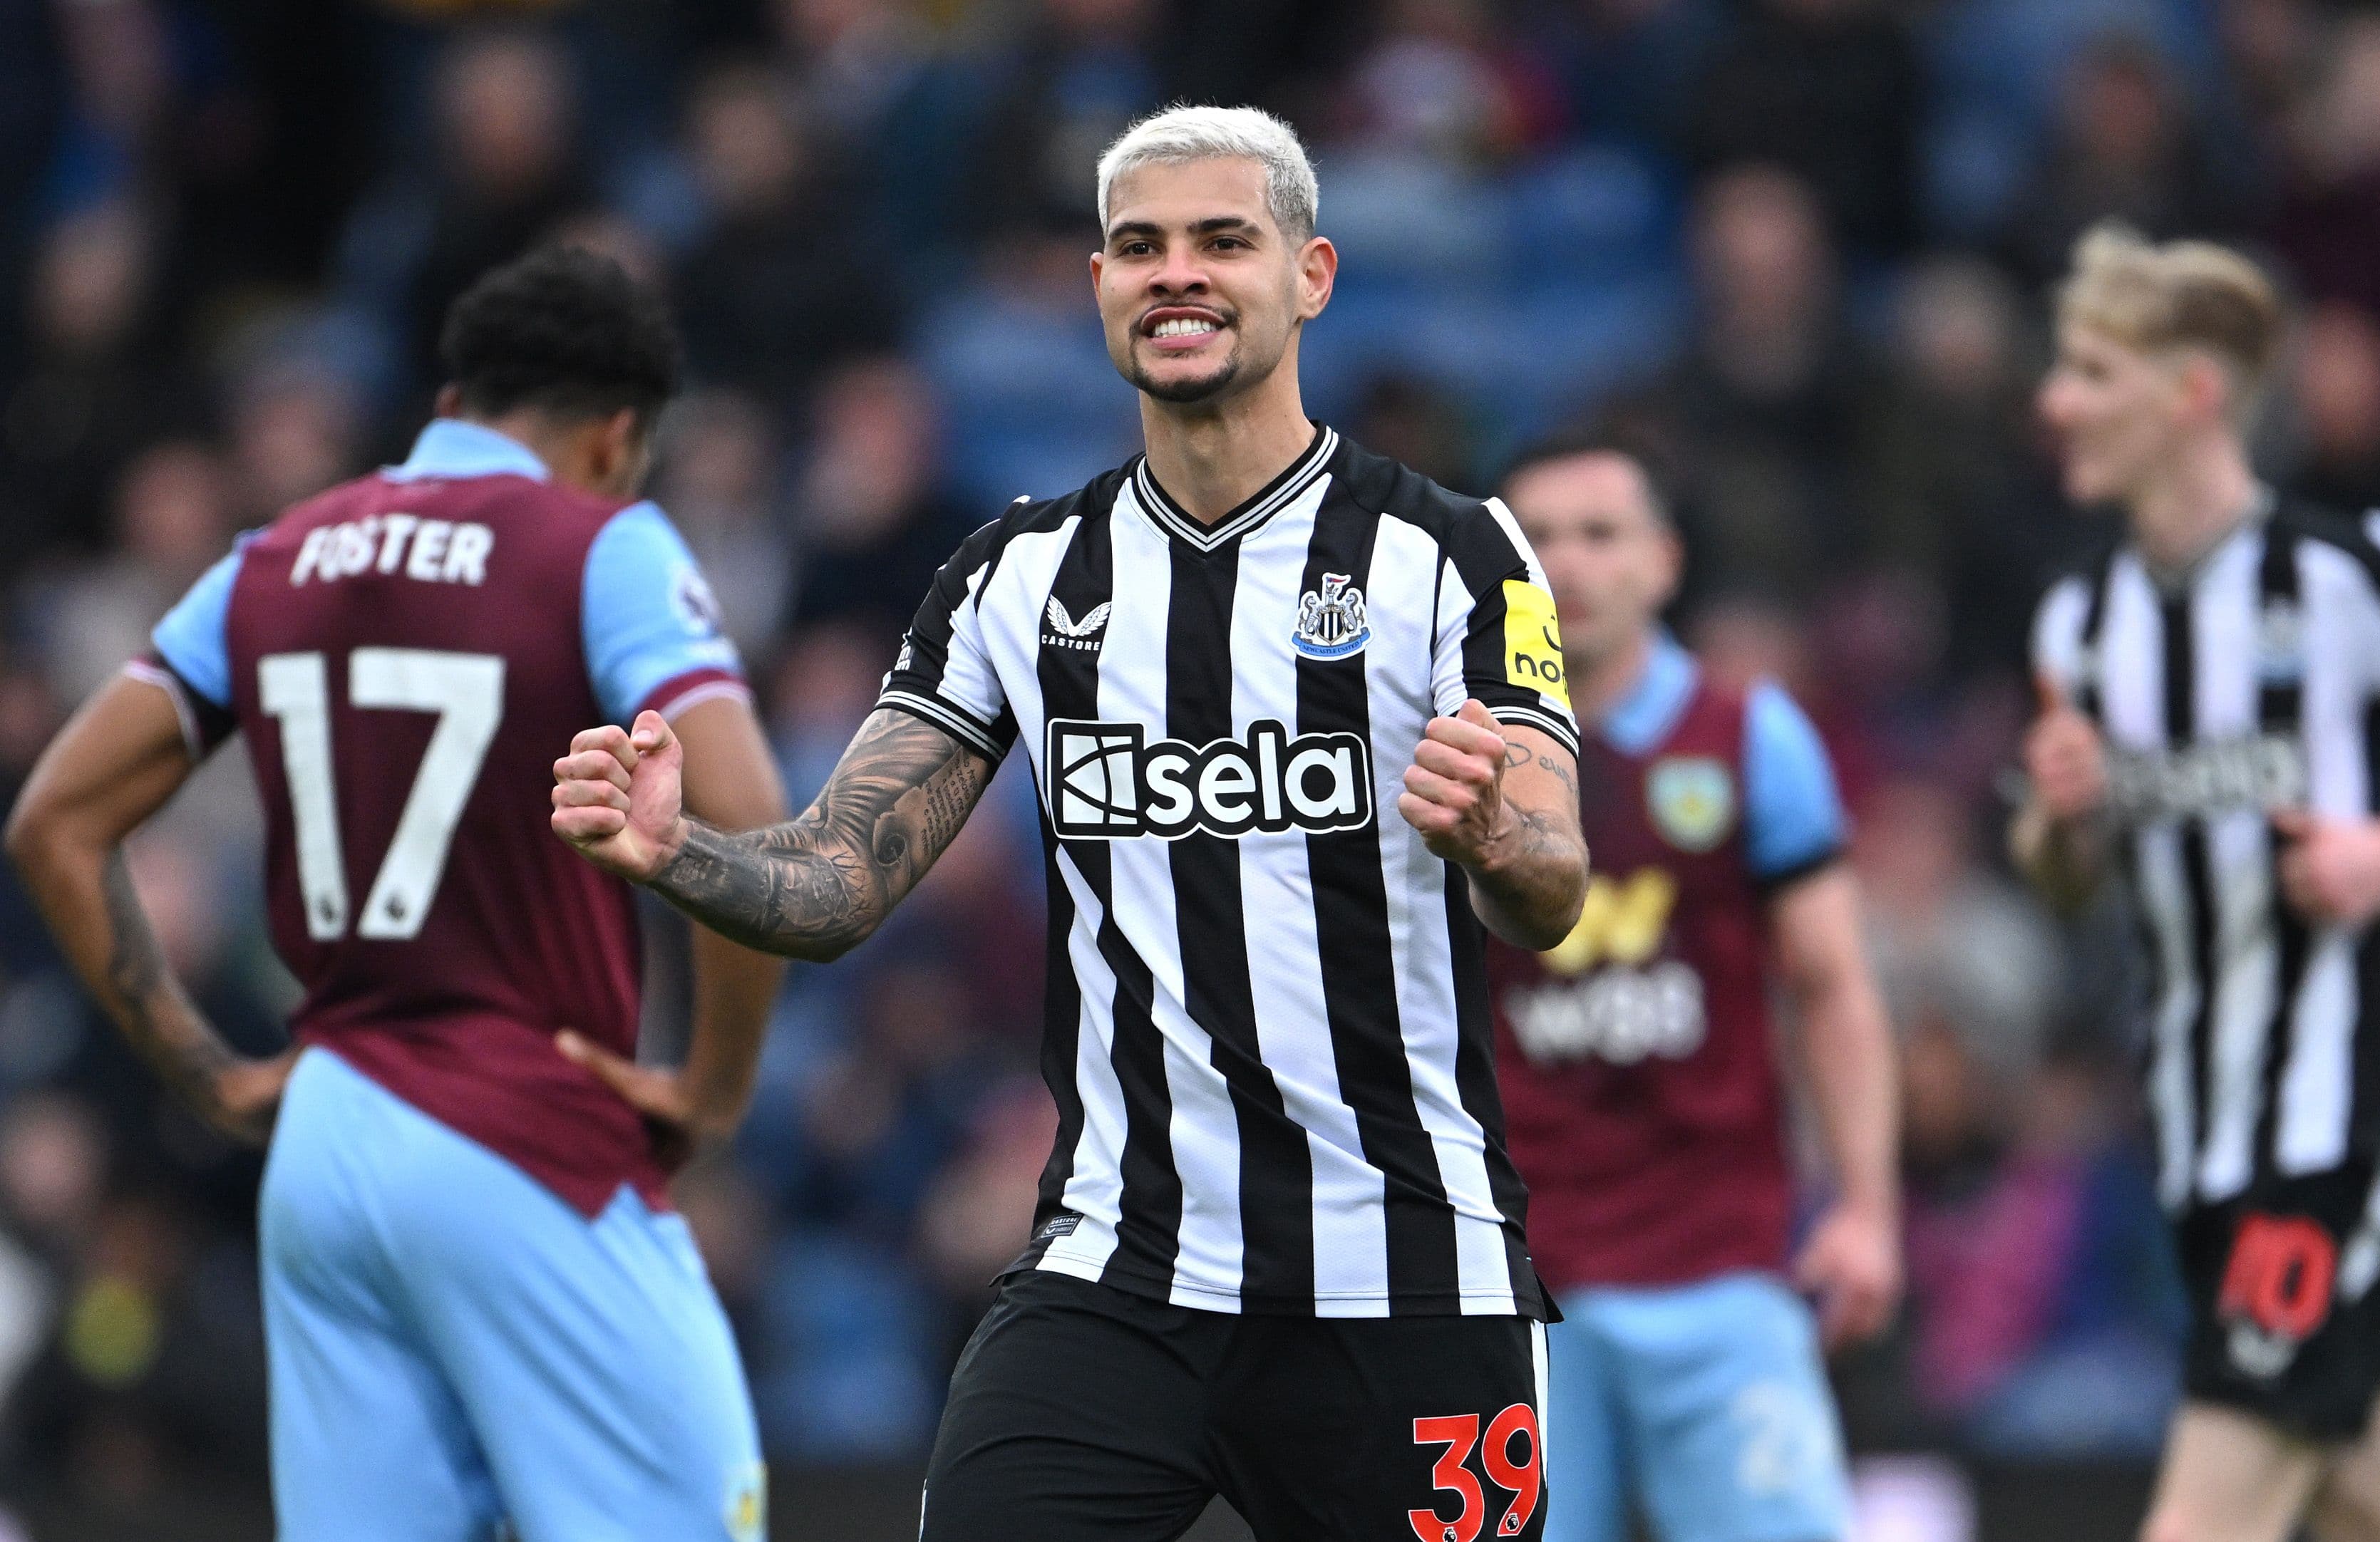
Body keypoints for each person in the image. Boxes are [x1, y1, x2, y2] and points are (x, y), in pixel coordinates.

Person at [549, 104, 1590, 1542]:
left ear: (1313, 274)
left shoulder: (1454, 553)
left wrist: (1498, 838)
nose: (1177, 273)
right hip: (1121, 1269)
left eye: (1225, 241)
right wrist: (678, 852)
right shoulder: (1016, 576)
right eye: (1138, 246)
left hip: (1404, 1273)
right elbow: (842, 877)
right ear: (1097, 283)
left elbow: (1554, 878)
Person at [6, 247, 789, 1542]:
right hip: (526, 1136)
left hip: (325, 1154)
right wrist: (714, 1085)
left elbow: (54, 824)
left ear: (449, 403)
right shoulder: (604, 543)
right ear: (615, 438)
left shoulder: (270, 560)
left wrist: (204, 1072)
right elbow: (752, 815)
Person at [2013, 225, 2380, 1542]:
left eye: (2092, 372)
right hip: (2201, 1139)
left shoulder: (2354, 569)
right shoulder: (2080, 625)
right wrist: (2059, 823)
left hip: (2340, 1131)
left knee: (2203, 1519)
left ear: (2191, 393)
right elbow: (2060, 883)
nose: (2057, 403)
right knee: (2379, 1512)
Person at [1489, 435, 1900, 1542]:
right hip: (1512, 1289)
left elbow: (1832, 986)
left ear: (1662, 562)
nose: (1567, 564)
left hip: (1722, 1270)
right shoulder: (1451, 757)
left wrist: (1865, 1209)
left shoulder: (1752, 740)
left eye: (1600, 534)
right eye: (1537, 540)